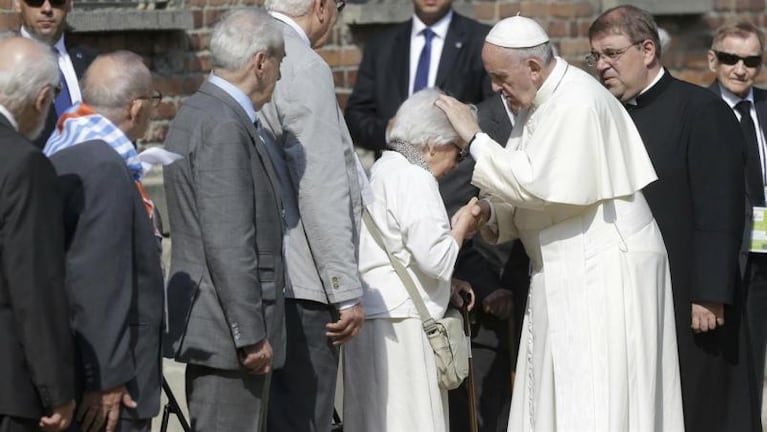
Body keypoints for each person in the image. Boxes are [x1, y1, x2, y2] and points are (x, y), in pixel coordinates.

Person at [436, 15, 683, 431]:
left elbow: (538, 187)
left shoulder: (578, 102)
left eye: (500, 77)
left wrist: (475, 139)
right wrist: (489, 213)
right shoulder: (536, 104)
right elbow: (534, 186)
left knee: (597, 397)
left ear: (532, 67)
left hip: (605, 269)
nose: (497, 88)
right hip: (566, 265)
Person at [589, 6, 761, 431]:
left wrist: (709, 291)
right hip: (633, 293)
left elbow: (720, 205)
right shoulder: (607, 115)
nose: (601, 66)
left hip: (692, 294)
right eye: (595, 57)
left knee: (701, 405)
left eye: (611, 53)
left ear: (648, 50)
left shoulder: (700, 109)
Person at [163, 9, 286, 431]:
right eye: (280, 63)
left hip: (218, 327)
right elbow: (229, 239)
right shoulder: (222, 124)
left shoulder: (202, 110)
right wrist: (250, 333)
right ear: (260, 63)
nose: (280, 76)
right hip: (227, 335)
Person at [258, 1, 365, 430]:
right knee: (305, 417)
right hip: (305, 281)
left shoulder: (244, 51)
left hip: (265, 275)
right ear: (321, 6)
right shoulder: (302, 64)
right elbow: (320, 186)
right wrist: (344, 289)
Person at [343, 88, 477, 432]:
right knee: (410, 421)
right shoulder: (416, 178)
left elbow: (398, 248)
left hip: (375, 314)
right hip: (403, 324)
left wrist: (451, 285)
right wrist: (461, 226)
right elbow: (436, 260)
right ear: (432, 144)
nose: (457, 164)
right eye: (459, 153)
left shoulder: (386, 166)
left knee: (375, 419)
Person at [43, 50, 164, 432]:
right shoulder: (104, 164)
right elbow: (97, 278)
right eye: (154, 102)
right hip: (113, 384)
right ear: (137, 108)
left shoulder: (68, 144)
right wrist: (107, 377)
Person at [0, 35, 74, 432]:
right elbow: (34, 284)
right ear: (43, 98)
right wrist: (57, 390)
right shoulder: (24, 165)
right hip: (9, 387)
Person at [707, 21, 767, 408]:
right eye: (730, 59)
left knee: (758, 353)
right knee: (726, 363)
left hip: (763, 253)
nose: (740, 69)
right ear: (713, 60)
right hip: (724, 254)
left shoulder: (765, 105)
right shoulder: (700, 109)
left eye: (751, 61)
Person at [345, 0, 493, 154]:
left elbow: (493, 113)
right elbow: (356, 117)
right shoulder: (381, 46)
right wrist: (390, 132)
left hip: (456, 171)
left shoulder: (480, 41)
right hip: (395, 169)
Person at [15, 0, 95, 147]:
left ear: (70, 3)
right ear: (18, 4)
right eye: (36, 0)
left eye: (56, 1)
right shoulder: (6, 60)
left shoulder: (92, 62)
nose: (47, 9)